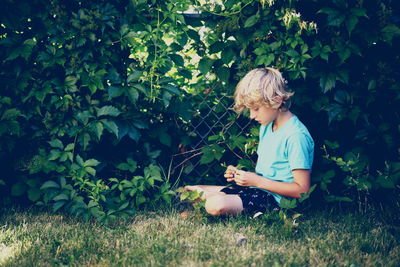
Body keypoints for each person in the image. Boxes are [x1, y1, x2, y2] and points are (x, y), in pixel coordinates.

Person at [184, 67, 314, 217]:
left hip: (278, 201)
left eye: (256, 109)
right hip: (258, 191)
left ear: (277, 101)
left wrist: (257, 181)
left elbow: (302, 190)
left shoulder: (295, 136)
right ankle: (213, 197)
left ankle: (215, 200)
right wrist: (243, 176)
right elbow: (268, 175)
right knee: (192, 189)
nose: (252, 115)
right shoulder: (267, 126)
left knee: (215, 204)